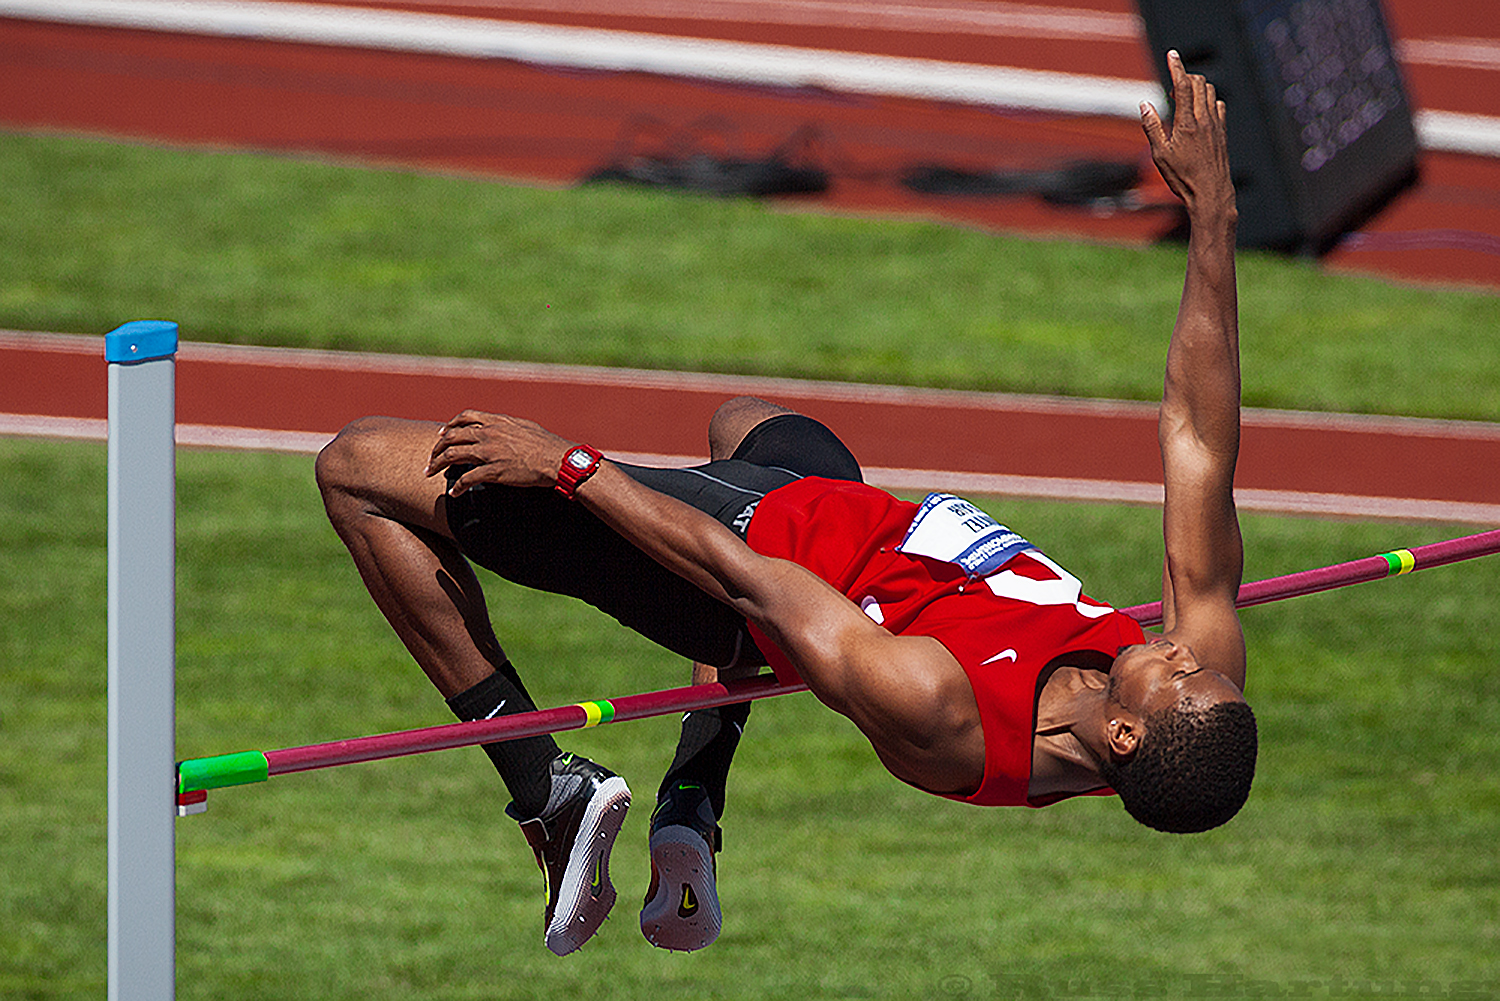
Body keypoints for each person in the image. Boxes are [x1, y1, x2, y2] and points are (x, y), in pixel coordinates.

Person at [315, 51, 1255, 957]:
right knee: (745, 420)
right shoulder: (1195, 694)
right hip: (838, 513)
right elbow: (1200, 444)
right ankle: (693, 796)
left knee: (356, 465)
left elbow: (751, 581)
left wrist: (567, 463)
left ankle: (545, 788)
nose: (1180, 646)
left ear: (1124, 733)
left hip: (742, 550)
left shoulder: (941, 710)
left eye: (1176, 670)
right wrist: (1213, 214)